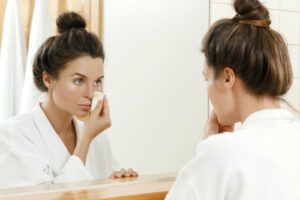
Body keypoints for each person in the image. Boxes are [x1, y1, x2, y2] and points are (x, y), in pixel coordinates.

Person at [166, 0, 300, 199]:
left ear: (228, 78)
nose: (208, 90)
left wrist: (210, 149)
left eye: (206, 78)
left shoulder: (221, 153)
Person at [0, 12, 137, 189]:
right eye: (79, 80)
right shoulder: (12, 136)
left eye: (97, 81)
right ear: (48, 79)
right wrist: (86, 138)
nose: (91, 93)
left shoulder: (98, 139)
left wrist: (119, 182)